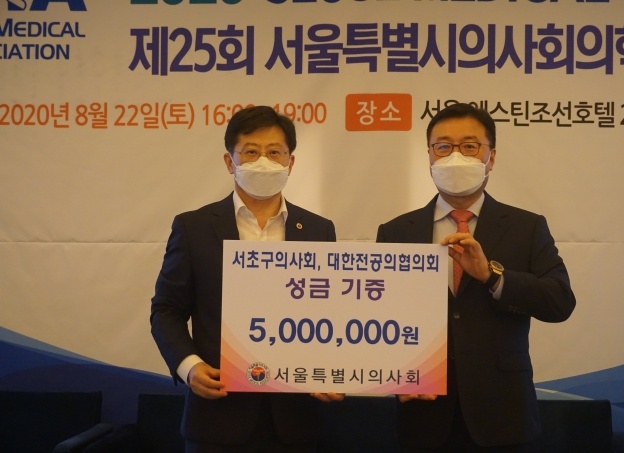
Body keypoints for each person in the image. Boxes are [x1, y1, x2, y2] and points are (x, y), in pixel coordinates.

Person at [376, 103, 576, 452]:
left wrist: (491, 276)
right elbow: (379, 317)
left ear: (491, 157)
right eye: (443, 146)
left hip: (503, 414)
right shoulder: (396, 231)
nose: (456, 156)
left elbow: (559, 301)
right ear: (429, 155)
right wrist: (394, 375)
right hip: (422, 415)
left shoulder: (526, 227)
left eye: (469, 146)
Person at [151, 105, 343, 453]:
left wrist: (334, 371)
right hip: (217, 418)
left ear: (290, 162)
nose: (263, 162)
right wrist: (189, 367)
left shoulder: (318, 230)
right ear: (230, 161)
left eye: (274, 153)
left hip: (296, 420)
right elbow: (166, 310)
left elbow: (331, 315)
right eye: (251, 152)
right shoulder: (194, 228)